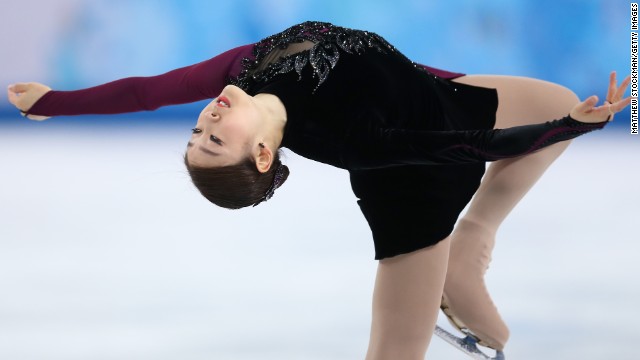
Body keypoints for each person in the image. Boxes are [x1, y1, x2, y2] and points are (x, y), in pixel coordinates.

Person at [7, 21, 631, 359]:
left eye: (198, 130)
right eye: (213, 140)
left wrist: (55, 103)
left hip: (445, 94)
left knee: (553, 97)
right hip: (419, 183)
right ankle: (467, 285)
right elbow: (462, 150)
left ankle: (474, 242)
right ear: (261, 153)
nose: (208, 119)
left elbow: (146, 91)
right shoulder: (351, 137)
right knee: (399, 351)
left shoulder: (243, 71)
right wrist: (564, 129)